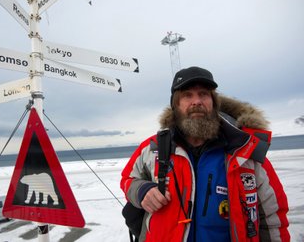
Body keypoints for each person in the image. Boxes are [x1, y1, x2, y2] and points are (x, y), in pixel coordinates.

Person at [120, 66, 290, 242]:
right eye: (187, 95)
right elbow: (127, 179)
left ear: (213, 102)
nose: (197, 101)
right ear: (175, 105)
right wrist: (142, 191)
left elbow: (272, 219)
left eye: (203, 94)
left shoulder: (245, 152)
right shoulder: (153, 148)